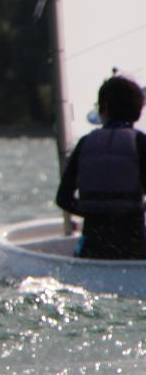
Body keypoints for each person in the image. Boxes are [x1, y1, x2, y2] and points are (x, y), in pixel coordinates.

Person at [55, 74, 146, 259]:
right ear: (138, 111)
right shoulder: (140, 142)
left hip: (93, 246)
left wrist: (92, 212)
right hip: (133, 246)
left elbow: (63, 198)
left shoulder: (85, 143)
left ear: (103, 109)